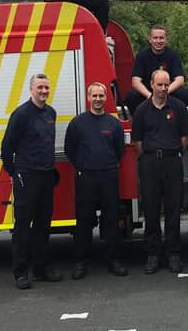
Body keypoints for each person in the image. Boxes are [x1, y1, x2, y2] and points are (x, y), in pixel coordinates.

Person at [0, 73, 63, 289]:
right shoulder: (21, 114)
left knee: (43, 226)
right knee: (23, 227)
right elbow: (7, 149)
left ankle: (40, 268)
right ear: (31, 90)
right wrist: (15, 173)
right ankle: (20, 272)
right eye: (40, 88)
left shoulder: (51, 113)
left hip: (46, 176)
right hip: (27, 176)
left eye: (46, 87)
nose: (44, 91)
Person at [64, 82, 127, 279]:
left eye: (101, 96)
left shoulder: (113, 123)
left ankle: (113, 260)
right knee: (83, 221)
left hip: (108, 175)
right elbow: (70, 150)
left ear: (106, 98)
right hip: (86, 177)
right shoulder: (77, 123)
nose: (98, 99)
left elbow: (119, 150)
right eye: (95, 96)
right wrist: (84, 165)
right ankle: (80, 262)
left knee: (111, 221)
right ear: (88, 98)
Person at [131, 70, 188, 274]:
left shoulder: (178, 108)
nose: (164, 89)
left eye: (166, 85)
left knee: (174, 210)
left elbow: (185, 138)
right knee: (151, 209)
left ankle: (174, 254)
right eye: (160, 85)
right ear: (151, 84)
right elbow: (137, 142)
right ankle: (153, 255)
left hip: (172, 162)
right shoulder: (141, 110)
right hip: (149, 163)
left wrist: (170, 153)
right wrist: (150, 157)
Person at [123, 25, 188, 115]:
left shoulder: (173, 55)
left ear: (166, 40)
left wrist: (164, 92)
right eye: (155, 38)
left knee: (183, 93)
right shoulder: (142, 56)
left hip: (167, 92)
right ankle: (139, 122)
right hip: (147, 94)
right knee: (131, 96)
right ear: (150, 39)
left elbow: (180, 80)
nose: (158, 41)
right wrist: (150, 96)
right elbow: (135, 82)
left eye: (161, 38)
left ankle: (175, 119)